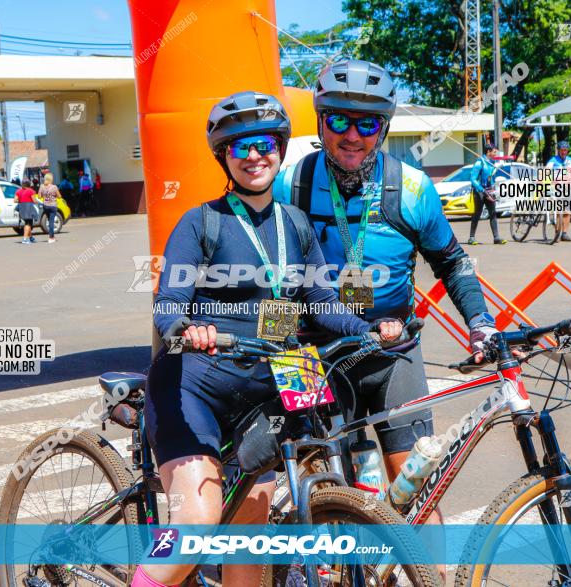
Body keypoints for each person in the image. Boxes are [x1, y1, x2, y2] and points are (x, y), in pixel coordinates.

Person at [136, 91, 403, 587]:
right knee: (196, 526)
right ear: (224, 156)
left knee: (249, 537)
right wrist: (186, 329)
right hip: (191, 387)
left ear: (280, 149)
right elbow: (168, 301)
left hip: (265, 386)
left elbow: (322, 301)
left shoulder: (294, 224)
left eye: (264, 143)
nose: (254, 155)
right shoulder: (201, 222)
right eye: (240, 147)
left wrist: (368, 330)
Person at [274, 60, 500, 581]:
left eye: (368, 124)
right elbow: (270, 274)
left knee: (417, 483)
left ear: (386, 127)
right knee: (319, 491)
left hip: (392, 349)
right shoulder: (291, 186)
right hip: (314, 352)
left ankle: (431, 580)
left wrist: (481, 324)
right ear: (321, 119)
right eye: (338, 121)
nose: (353, 136)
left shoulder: (413, 188)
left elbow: (453, 263)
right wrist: (273, 346)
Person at [467, 143, 506, 245]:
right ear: (488, 152)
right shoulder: (479, 163)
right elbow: (473, 179)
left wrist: (493, 189)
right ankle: (471, 237)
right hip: (479, 192)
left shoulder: (491, 163)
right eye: (494, 152)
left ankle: (496, 238)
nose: (495, 153)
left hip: (489, 191)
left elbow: (490, 178)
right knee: (477, 214)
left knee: (493, 214)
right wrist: (482, 190)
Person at [545, 140, 571, 242]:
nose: (564, 152)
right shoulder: (553, 161)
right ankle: (557, 233)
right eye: (562, 150)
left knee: (566, 212)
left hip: (568, 188)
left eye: (566, 150)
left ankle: (564, 233)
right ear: (558, 150)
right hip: (556, 189)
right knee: (558, 211)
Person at [38, 173, 61, 243]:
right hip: (53, 205)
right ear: (51, 179)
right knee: (51, 221)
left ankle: (52, 236)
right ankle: (51, 237)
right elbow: (59, 196)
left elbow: (39, 196)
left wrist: (44, 196)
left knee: (49, 220)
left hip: (46, 206)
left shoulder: (42, 186)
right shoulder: (54, 187)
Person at [15, 179, 38, 244]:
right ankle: (25, 239)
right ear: (29, 184)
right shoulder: (31, 191)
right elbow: (34, 200)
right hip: (28, 208)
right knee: (28, 224)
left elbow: (15, 200)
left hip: (21, 208)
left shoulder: (18, 191)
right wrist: (37, 202)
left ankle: (31, 238)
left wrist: (21, 200)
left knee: (27, 223)